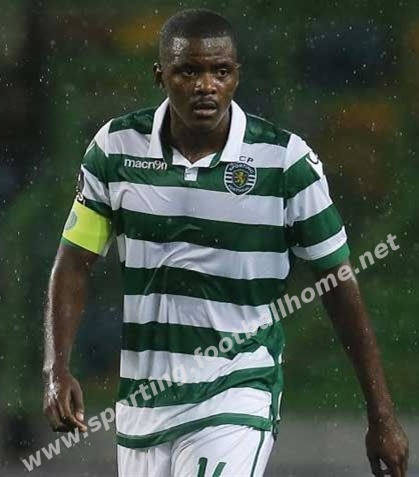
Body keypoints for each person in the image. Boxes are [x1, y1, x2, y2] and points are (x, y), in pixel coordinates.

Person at [43, 8, 408, 477]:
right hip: (144, 404)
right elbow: (74, 263)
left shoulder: (284, 162)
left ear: (237, 75)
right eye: (188, 71)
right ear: (160, 75)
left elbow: (337, 283)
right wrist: (56, 368)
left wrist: (381, 414)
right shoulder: (115, 149)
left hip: (237, 392)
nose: (206, 85)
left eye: (220, 71)